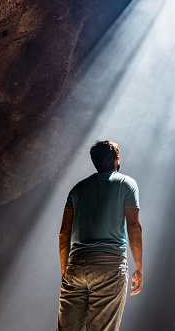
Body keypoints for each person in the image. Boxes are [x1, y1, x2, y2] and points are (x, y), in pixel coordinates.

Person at [57, 140, 143, 331]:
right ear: (117, 160)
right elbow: (134, 227)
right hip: (110, 266)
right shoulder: (127, 184)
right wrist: (139, 267)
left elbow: (64, 232)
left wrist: (65, 269)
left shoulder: (77, 189)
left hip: (76, 265)